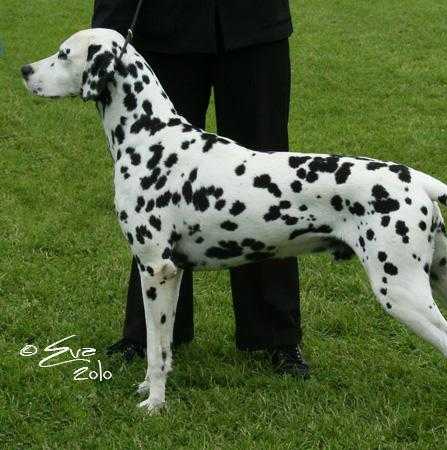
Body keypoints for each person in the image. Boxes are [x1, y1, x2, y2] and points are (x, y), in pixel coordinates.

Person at [92, 0, 309, 378]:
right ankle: (147, 335)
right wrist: (106, 31)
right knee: (156, 187)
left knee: (268, 186)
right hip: (164, 29)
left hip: (255, 27)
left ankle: (277, 334)